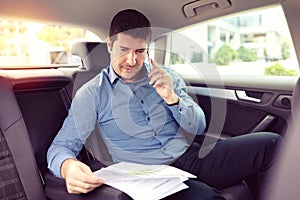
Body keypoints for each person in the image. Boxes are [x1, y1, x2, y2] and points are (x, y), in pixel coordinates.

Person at [47, 9, 281, 199]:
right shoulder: (92, 94)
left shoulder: (167, 76)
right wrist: (68, 167)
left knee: (270, 144)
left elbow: (198, 127)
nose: (131, 60)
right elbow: (60, 146)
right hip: (151, 174)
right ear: (110, 45)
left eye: (140, 51)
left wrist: (173, 99)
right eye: (124, 50)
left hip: (192, 156)